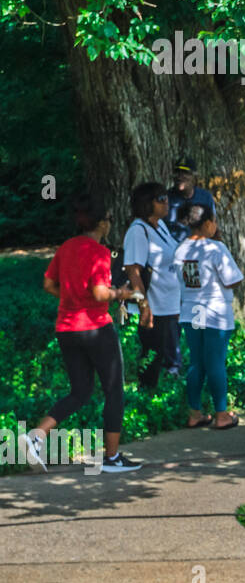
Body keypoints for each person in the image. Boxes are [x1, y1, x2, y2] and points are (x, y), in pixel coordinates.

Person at [22, 193, 143, 473]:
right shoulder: (99, 252)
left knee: (80, 392)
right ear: (102, 223)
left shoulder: (66, 247)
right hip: (96, 329)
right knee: (114, 391)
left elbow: (49, 285)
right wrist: (124, 293)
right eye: (110, 219)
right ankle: (111, 459)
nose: (110, 224)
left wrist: (74, 298)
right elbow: (100, 293)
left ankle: (36, 436)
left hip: (66, 329)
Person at [173, 203, 243, 429]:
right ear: (207, 223)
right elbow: (233, 279)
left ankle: (194, 412)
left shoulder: (181, 249)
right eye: (214, 221)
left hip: (191, 310)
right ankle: (222, 414)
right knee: (215, 362)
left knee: (196, 362)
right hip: (215, 312)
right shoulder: (215, 248)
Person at [123, 182, 182, 387]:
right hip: (153, 307)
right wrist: (144, 306)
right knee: (152, 358)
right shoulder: (138, 231)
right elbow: (133, 270)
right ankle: (147, 401)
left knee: (166, 355)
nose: (167, 203)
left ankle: (161, 399)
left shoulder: (161, 226)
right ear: (147, 203)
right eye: (161, 199)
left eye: (167, 198)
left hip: (168, 304)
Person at [166, 156, 217, 240]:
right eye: (177, 172)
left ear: (194, 177)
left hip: (199, 247)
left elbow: (213, 227)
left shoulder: (205, 197)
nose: (180, 176)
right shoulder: (165, 199)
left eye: (185, 172)